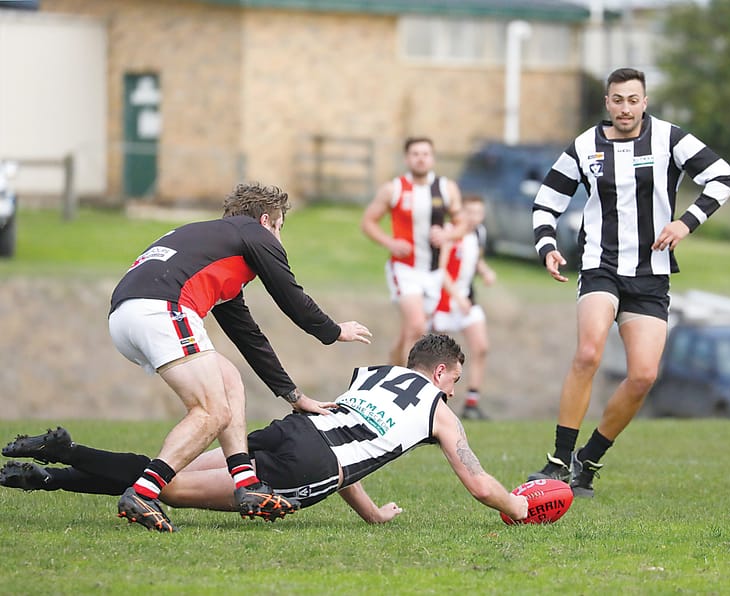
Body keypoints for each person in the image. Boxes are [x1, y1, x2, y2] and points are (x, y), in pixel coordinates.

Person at [1, 334, 529, 525]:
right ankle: (65, 452)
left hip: (292, 431)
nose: (454, 391)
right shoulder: (439, 410)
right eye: (454, 381)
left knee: (162, 474)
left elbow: (346, 436)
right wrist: (522, 507)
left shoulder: (373, 375)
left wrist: (371, 513)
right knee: (175, 490)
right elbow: (481, 485)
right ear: (440, 372)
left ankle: (53, 471)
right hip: (310, 464)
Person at [107, 182, 373, 532]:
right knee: (211, 412)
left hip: (126, 316)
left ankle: (247, 486)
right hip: (162, 310)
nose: (279, 239)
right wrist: (333, 330)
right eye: (279, 229)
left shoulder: (218, 248)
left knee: (228, 379)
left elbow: (248, 336)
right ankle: (144, 491)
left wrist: (294, 395)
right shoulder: (254, 233)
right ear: (266, 221)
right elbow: (289, 294)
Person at [527, 67, 730, 497]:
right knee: (589, 352)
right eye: (617, 100)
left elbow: (723, 177)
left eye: (633, 100)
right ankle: (556, 461)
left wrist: (686, 223)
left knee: (643, 375)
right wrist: (546, 246)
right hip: (599, 264)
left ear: (645, 101)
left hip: (651, 273)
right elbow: (546, 202)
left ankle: (588, 459)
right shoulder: (586, 145)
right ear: (607, 103)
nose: (625, 108)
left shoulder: (669, 138)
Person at [361, 137, 465, 366]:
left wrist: (447, 235)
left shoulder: (447, 188)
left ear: (433, 158)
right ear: (407, 159)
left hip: (434, 271)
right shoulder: (394, 188)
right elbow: (368, 222)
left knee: (411, 331)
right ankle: (410, 386)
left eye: (425, 154)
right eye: (415, 154)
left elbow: (462, 224)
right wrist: (390, 243)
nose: (420, 158)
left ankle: (391, 369)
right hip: (405, 267)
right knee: (418, 327)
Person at [431, 195, 496, 420]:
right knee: (439, 355)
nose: (473, 217)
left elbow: (474, 258)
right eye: (468, 212)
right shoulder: (450, 232)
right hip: (445, 302)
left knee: (481, 347)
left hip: (467, 300)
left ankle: (471, 403)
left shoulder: (479, 233)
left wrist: (485, 271)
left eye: (478, 213)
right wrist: (458, 297)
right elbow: (441, 270)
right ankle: (435, 403)